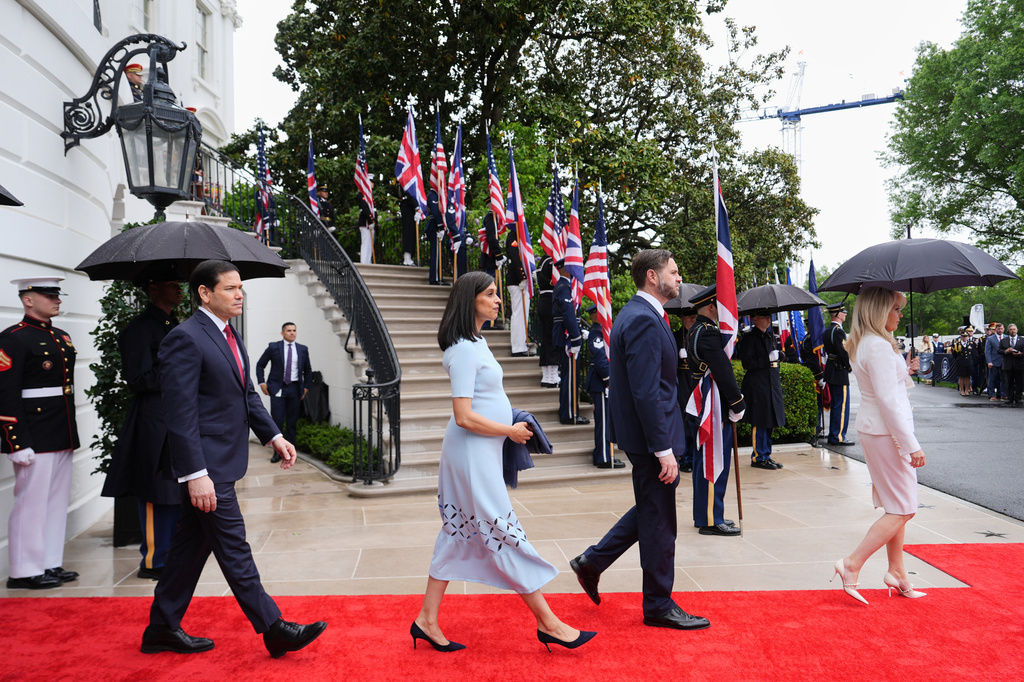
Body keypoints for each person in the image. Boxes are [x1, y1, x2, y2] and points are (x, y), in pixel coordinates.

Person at [142, 260, 326, 657]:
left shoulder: (229, 335)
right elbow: (180, 412)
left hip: (224, 460)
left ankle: (160, 628)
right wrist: (195, 473)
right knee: (233, 545)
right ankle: (273, 627)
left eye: (240, 287)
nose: (239, 294)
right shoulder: (185, 338)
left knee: (189, 550)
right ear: (205, 294)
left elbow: (246, 396)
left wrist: (274, 435)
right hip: (206, 466)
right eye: (230, 288)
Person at [412, 271, 595, 653]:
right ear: (470, 299)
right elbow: (463, 415)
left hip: (480, 449)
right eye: (491, 294)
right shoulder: (463, 348)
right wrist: (508, 431)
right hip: (470, 451)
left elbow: (482, 400)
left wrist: (508, 424)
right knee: (502, 532)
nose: (499, 300)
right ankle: (550, 624)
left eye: (498, 294)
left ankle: (426, 620)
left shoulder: (476, 341)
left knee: (456, 534)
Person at [570, 250, 711, 631]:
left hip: (648, 434)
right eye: (674, 271)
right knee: (662, 521)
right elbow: (647, 392)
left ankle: (592, 562)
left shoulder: (643, 314)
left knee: (653, 509)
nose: (679, 278)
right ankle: (658, 605)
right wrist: (662, 448)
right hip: (652, 438)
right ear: (652, 276)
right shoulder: (645, 319)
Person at [832, 286, 927, 605]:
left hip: (880, 430)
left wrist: (906, 370)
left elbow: (889, 390)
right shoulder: (878, 346)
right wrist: (911, 444)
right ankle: (851, 564)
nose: (900, 314)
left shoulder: (869, 343)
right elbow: (889, 401)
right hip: (888, 432)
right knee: (905, 508)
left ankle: (897, 573)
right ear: (879, 311)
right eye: (896, 309)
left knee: (897, 504)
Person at [101, 278, 184, 581]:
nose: (179, 289)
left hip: (177, 415)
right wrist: (178, 370)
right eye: (171, 284)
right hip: (152, 418)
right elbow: (139, 378)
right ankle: (154, 559)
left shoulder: (173, 325)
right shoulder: (138, 329)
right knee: (154, 490)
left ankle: (173, 554)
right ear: (153, 288)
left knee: (177, 488)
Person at [1, 276, 79, 590]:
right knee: (30, 503)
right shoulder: (12, 339)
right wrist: (15, 440)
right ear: (28, 299)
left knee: (55, 501)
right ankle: (23, 570)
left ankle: (48, 563)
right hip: (32, 434)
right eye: (49, 296)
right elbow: (5, 393)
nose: (56, 300)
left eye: (57, 295)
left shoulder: (61, 336)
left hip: (59, 430)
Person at [686, 285, 744, 537]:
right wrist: (737, 403)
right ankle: (711, 518)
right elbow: (723, 370)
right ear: (712, 306)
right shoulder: (708, 332)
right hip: (714, 402)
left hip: (706, 400)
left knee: (704, 460)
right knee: (714, 460)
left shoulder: (696, 329)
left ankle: (706, 514)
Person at [256, 322, 313, 462]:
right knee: (277, 421)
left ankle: (291, 452)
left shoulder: (302, 349)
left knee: (292, 423)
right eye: (289, 330)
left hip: (294, 389)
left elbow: (308, 370)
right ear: (282, 333)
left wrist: (305, 387)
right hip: (278, 388)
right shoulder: (273, 347)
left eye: (294, 330)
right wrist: (262, 383)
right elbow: (260, 365)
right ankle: (277, 453)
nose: (292, 333)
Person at [737, 310, 786, 470]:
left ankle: (766, 454)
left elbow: (774, 358)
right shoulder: (749, 339)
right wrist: (767, 359)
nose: (768, 320)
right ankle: (758, 457)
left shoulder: (770, 336)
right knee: (759, 420)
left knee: (769, 420)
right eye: (765, 317)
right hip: (758, 385)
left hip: (771, 383)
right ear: (755, 318)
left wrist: (780, 355)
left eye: (769, 317)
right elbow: (747, 363)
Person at [584, 311, 621, 468]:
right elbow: (600, 359)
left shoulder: (603, 332)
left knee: (606, 421)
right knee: (604, 422)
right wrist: (608, 380)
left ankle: (603, 452)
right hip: (601, 383)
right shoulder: (596, 333)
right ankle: (604, 457)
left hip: (603, 382)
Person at [552, 259, 587, 425]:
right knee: (571, 377)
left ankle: (569, 411)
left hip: (567, 335)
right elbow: (567, 314)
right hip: (566, 338)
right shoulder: (564, 288)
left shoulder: (565, 287)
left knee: (570, 376)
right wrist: (575, 338)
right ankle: (569, 414)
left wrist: (579, 331)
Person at [672, 305, 699, 474]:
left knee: (695, 419)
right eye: (689, 316)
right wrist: (678, 356)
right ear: (682, 318)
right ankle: (684, 457)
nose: (693, 319)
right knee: (683, 421)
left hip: (695, 383)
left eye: (694, 315)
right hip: (681, 383)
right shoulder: (675, 337)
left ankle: (694, 456)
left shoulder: (698, 336)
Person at [823, 302, 854, 446]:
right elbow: (843, 352)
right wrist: (850, 366)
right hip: (839, 370)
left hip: (831, 369)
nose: (845, 314)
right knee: (841, 406)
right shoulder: (838, 331)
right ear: (838, 314)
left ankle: (834, 434)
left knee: (836, 405)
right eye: (843, 312)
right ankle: (838, 436)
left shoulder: (828, 330)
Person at [504, 231, 532, 356]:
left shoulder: (521, 234)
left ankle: (522, 345)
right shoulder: (514, 235)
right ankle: (518, 347)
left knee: (523, 314)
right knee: (519, 314)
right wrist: (522, 276)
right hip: (516, 281)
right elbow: (514, 258)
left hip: (519, 281)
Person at [535, 253, 559, 388]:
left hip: (543, 301)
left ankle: (547, 375)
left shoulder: (542, 261)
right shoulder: (551, 261)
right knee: (551, 339)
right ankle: (552, 377)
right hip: (550, 301)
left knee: (545, 339)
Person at [998, 324, 1024, 405]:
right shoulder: (1004, 340)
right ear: (1008, 331)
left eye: (1014, 329)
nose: (1013, 331)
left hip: (1019, 364)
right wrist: (1006, 351)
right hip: (1008, 364)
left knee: (1019, 382)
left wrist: (1021, 353)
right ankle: (1010, 398)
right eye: (1011, 329)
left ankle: (1018, 398)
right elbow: (999, 350)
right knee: (1009, 382)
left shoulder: (1022, 340)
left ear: (1017, 330)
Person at [425, 190, 446, 285]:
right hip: (435, 226)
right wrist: (441, 226)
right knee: (436, 253)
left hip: (438, 227)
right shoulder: (432, 195)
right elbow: (435, 211)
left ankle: (438, 276)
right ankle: (435, 278)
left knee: (438, 253)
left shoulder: (438, 195)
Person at [951, 326, 975, 396]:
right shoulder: (957, 344)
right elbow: (954, 354)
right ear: (961, 337)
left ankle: (967, 390)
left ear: (968, 337)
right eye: (963, 336)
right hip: (961, 362)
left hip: (969, 362)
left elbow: (973, 353)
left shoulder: (971, 343)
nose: (965, 338)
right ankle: (962, 390)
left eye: (966, 336)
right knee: (962, 376)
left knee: (967, 376)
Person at [985, 322, 1005, 401]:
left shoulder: (1006, 338)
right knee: (992, 379)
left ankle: (1002, 394)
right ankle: (992, 394)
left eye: (1001, 329)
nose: (1000, 330)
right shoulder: (990, 339)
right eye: (998, 329)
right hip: (993, 362)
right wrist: (989, 361)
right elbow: (988, 351)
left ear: (1003, 329)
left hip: (1004, 362)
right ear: (995, 329)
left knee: (1003, 379)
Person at [357, 181, 375, 264]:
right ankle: (364, 262)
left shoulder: (370, 196)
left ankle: (368, 261)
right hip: (365, 223)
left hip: (371, 223)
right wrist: (371, 220)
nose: (373, 184)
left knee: (370, 245)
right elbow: (365, 209)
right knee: (366, 244)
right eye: (371, 182)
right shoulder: (362, 194)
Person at [400, 193, 418, 266]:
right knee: (409, 233)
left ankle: (408, 257)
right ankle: (407, 258)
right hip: (408, 207)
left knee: (410, 233)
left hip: (409, 207)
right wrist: (416, 207)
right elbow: (410, 194)